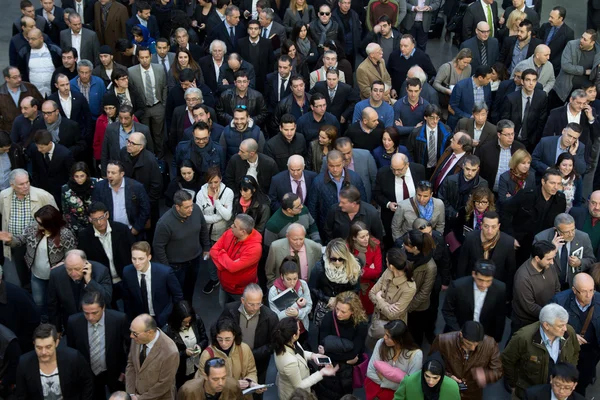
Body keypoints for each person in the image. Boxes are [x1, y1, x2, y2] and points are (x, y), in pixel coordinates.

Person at [0, 204, 76, 310]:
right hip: (36, 275)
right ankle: (41, 323)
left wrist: (62, 264)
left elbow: (72, 255)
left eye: (40, 223)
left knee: (55, 303)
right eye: (37, 221)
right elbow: (21, 240)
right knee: (38, 302)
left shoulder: (65, 234)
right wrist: (10, 240)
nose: (37, 225)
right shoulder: (32, 228)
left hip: (56, 277)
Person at [502, 303, 581, 399]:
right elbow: (507, 360)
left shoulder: (569, 331)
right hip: (530, 393)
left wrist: (569, 373)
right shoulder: (523, 337)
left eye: (565, 324)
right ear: (546, 325)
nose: (565, 328)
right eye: (560, 326)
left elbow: (575, 352)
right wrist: (514, 384)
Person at [66, 290, 130, 399]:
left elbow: (129, 346)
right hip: (88, 374)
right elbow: (72, 350)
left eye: (95, 312)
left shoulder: (118, 319)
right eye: (86, 313)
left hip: (114, 372)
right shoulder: (74, 322)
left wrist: (125, 369)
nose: (90, 317)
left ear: (103, 307)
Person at [153, 190, 210, 302]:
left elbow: (203, 228)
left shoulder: (196, 209)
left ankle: (188, 312)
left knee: (190, 290)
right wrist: (167, 268)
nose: (191, 209)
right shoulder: (164, 223)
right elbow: (158, 247)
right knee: (177, 294)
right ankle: (179, 316)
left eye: (191, 205)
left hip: (195, 259)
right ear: (177, 207)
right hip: (176, 266)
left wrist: (206, 247)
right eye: (187, 207)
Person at [220, 284, 279, 392]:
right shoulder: (230, 310)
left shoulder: (270, 317)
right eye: (251, 304)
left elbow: (274, 343)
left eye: (258, 304)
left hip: (258, 364)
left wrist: (251, 354)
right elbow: (220, 330)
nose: (255, 308)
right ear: (242, 300)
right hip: (232, 359)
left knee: (256, 391)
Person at [502, 168, 567, 262]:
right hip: (521, 243)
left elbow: (558, 222)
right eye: (552, 183)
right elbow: (506, 212)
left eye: (559, 184)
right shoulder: (526, 195)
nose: (556, 187)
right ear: (543, 181)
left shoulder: (561, 200)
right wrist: (510, 237)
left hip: (543, 245)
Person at [77, 201, 134, 306]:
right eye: (95, 219)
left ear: (107, 215)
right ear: (90, 219)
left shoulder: (122, 229)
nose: (99, 222)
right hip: (103, 284)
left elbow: (133, 251)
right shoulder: (84, 237)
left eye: (101, 217)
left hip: (124, 279)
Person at [16, 323, 94, 400]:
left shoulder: (73, 358)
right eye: (39, 347)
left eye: (48, 347)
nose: (43, 352)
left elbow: (87, 383)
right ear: (34, 344)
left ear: (56, 343)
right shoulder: (25, 363)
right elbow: (21, 394)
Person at [551, 273, 600, 395]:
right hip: (567, 350)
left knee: (583, 381)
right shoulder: (559, 301)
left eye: (591, 290)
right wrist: (569, 336)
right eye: (583, 291)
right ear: (574, 290)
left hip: (591, 351)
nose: (589, 295)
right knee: (564, 379)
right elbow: (549, 326)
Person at [316, 291, 368, 400]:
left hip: (346, 372)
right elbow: (321, 344)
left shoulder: (361, 324)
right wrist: (346, 359)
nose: (338, 314)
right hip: (328, 364)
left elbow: (355, 352)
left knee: (344, 395)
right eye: (337, 309)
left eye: (343, 311)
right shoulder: (329, 317)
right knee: (324, 392)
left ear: (353, 311)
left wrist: (329, 353)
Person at [47, 249, 112, 334]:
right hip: (72, 323)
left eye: (77, 269)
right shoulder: (56, 274)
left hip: (97, 321)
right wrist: (57, 330)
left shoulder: (101, 271)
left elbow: (106, 299)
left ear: (86, 264)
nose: (73, 273)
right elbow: (53, 305)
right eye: (69, 269)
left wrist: (89, 281)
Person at [121, 241, 184, 326]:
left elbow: (178, 296)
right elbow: (127, 299)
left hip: (163, 317)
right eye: (134, 258)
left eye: (141, 259)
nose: (137, 263)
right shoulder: (127, 272)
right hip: (140, 319)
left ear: (149, 257)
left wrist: (167, 315)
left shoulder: (164, 272)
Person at [197, 316, 263, 396]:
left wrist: (251, 383)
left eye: (228, 339)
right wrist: (233, 384)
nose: (224, 343)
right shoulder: (207, 355)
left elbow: (251, 371)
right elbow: (204, 382)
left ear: (234, 336)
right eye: (220, 339)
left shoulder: (244, 349)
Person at [443, 259, 506, 343]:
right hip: (458, 333)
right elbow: (447, 311)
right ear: (473, 274)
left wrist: (495, 340)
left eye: (488, 281)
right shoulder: (457, 286)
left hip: (484, 337)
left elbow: (500, 317)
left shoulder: (500, 289)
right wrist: (459, 333)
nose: (484, 285)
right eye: (480, 280)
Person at [195, 166, 234, 294]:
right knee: (211, 258)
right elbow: (199, 216)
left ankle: (226, 279)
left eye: (216, 182)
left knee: (225, 257)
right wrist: (217, 217)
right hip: (208, 233)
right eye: (210, 182)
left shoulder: (228, 193)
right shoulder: (201, 194)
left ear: (221, 180)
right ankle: (213, 279)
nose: (213, 185)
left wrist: (217, 202)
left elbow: (228, 216)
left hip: (224, 233)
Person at [457, 211, 517, 292]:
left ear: (499, 226)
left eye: (493, 227)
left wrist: (507, 294)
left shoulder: (508, 242)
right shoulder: (470, 238)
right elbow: (462, 264)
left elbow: (510, 271)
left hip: (495, 290)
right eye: (486, 226)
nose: (490, 231)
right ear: (481, 225)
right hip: (472, 286)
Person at [211, 214, 263, 307]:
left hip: (240, 291)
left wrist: (222, 253)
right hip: (224, 284)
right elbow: (213, 250)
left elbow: (233, 268)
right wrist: (224, 265)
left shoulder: (254, 249)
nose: (231, 226)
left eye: (234, 225)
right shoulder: (230, 233)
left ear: (243, 232)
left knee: (239, 314)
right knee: (223, 306)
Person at [534, 213, 595, 289]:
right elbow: (535, 265)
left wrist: (579, 262)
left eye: (573, 230)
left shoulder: (583, 237)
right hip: (549, 285)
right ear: (556, 229)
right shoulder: (541, 239)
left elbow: (591, 260)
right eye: (566, 232)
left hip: (572, 285)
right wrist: (551, 250)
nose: (571, 234)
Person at [126, 313, 180, 400]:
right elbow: (131, 364)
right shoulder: (136, 339)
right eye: (131, 331)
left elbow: (164, 384)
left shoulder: (170, 351)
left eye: (135, 333)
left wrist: (140, 398)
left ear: (149, 332)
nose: (131, 336)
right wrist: (131, 393)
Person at [92, 160, 151, 239]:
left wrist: (136, 228)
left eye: (113, 173)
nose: (109, 175)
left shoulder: (136, 187)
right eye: (108, 172)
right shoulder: (100, 187)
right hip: (110, 233)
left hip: (132, 231)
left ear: (121, 174)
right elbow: (96, 208)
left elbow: (145, 209)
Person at [365, 320, 422, 400]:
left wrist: (384, 380)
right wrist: (397, 384)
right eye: (385, 334)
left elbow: (410, 385)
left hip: (398, 396)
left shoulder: (416, 355)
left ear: (399, 339)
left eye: (388, 336)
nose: (384, 337)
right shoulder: (380, 343)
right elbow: (370, 372)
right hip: (376, 392)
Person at [368, 247, 416, 343]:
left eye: (386, 261)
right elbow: (371, 293)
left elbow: (393, 315)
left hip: (393, 328)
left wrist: (379, 298)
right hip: (377, 318)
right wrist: (388, 306)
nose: (385, 263)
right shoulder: (388, 272)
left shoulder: (409, 287)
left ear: (392, 266)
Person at [511, 240, 561, 332]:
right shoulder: (523, 277)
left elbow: (557, 288)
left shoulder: (549, 266)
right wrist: (550, 315)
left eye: (553, 258)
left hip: (547, 318)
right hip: (527, 324)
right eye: (549, 259)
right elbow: (530, 307)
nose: (552, 262)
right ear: (537, 258)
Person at [309, 238, 361, 326]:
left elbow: (356, 289)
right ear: (328, 256)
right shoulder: (319, 268)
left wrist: (339, 299)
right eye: (334, 259)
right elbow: (312, 288)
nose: (337, 262)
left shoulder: (353, 267)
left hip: (344, 306)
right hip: (324, 306)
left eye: (341, 259)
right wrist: (327, 299)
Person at [128, 47, 168, 158]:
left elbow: (164, 86)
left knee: (158, 134)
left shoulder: (159, 68)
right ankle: (148, 156)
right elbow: (132, 91)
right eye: (142, 58)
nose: (145, 60)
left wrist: (163, 104)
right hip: (143, 108)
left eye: (147, 57)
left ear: (151, 56)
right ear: (138, 58)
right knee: (145, 134)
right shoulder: (131, 71)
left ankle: (160, 157)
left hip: (158, 106)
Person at [401, 229, 438, 345]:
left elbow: (424, 293)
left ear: (415, 248)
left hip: (417, 307)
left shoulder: (430, 266)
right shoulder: (405, 254)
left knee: (415, 334)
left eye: (406, 244)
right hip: (403, 301)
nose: (403, 246)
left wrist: (407, 308)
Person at [162, 300, 209, 388]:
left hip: (197, 364)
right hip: (181, 370)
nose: (187, 324)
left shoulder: (196, 320)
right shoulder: (167, 331)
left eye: (189, 321)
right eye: (184, 322)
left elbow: (204, 339)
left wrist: (199, 346)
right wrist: (184, 353)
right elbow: (167, 355)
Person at [501, 68, 548, 151]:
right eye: (528, 80)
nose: (531, 83)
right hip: (513, 138)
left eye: (534, 80)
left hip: (532, 140)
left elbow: (542, 120)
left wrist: (535, 139)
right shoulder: (511, 98)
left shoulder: (542, 96)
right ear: (522, 82)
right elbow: (505, 121)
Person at [100, 105, 153, 176]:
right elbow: (105, 152)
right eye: (120, 118)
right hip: (117, 170)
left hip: (138, 170)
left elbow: (150, 152)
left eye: (126, 118)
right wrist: (104, 173)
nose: (123, 121)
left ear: (133, 117)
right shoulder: (110, 129)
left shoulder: (143, 130)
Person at [552, 30, 600, 107]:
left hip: (583, 93)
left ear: (592, 43)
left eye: (585, 39)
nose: (581, 40)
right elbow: (566, 66)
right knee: (557, 112)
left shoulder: (598, 52)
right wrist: (584, 71)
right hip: (565, 89)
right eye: (582, 37)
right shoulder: (572, 45)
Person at [268, 258, 313, 339]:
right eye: (288, 279)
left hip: (302, 329)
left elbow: (309, 305)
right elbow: (275, 317)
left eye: (295, 279)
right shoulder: (273, 291)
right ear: (282, 276)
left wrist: (298, 313)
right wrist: (296, 306)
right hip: (284, 332)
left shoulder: (303, 284)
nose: (292, 283)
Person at [347, 221, 382, 315]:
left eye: (367, 235)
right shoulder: (347, 248)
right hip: (351, 287)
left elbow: (377, 271)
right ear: (354, 238)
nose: (366, 239)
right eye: (362, 237)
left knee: (367, 314)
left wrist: (358, 270)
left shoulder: (375, 245)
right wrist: (369, 269)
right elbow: (347, 270)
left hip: (368, 288)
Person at [393, 352, 461, 400]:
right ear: (423, 372)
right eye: (427, 376)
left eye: (435, 378)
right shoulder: (408, 382)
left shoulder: (452, 387)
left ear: (442, 375)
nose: (430, 381)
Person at [387, 34, 437, 98]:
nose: (402, 48)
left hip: (415, 95)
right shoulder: (394, 56)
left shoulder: (422, 57)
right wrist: (392, 88)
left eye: (405, 46)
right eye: (401, 45)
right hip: (397, 93)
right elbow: (388, 74)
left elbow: (432, 74)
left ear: (413, 46)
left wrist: (422, 89)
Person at [447, 65, 493, 130]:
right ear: (480, 78)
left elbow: (488, 102)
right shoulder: (461, 86)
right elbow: (452, 107)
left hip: (480, 124)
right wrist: (470, 117)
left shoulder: (487, 86)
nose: (490, 80)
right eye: (488, 78)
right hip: (462, 124)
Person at [178, 357, 243, 399]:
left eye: (223, 378)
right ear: (205, 376)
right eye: (215, 379)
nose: (221, 383)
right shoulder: (188, 390)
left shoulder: (233, 386)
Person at [538, 6, 575, 77]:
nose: (549, 19)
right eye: (550, 16)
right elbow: (539, 40)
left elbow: (566, 52)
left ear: (560, 18)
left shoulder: (568, 33)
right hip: (539, 61)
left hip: (554, 67)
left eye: (552, 17)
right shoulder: (545, 26)